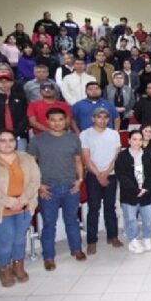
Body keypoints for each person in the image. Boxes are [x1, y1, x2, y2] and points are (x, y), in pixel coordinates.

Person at [0, 130, 40, 287]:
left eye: (11, 140)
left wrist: (23, 199)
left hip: (24, 206)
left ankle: (18, 265)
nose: (8, 144)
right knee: (5, 242)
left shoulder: (26, 158)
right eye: (3, 140)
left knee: (19, 240)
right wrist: (9, 201)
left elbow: (35, 181)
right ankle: (4, 269)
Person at [28, 108, 86, 270]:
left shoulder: (73, 139)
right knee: (49, 224)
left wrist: (80, 180)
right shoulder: (38, 140)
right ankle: (48, 257)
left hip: (70, 186)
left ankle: (76, 249)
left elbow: (78, 161)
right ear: (47, 121)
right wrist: (38, 185)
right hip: (48, 188)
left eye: (60, 119)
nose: (57, 123)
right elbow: (30, 165)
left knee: (72, 220)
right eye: (53, 120)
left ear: (65, 121)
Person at [81, 107, 122, 255]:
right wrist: (99, 175)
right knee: (93, 209)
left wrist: (106, 172)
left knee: (110, 207)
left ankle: (113, 236)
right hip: (93, 175)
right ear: (93, 118)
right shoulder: (85, 134)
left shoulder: (114, 134)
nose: (102, 120)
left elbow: (117, 156)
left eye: (105, 117)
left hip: (111, 174)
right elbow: (86, 158)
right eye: (99, 117)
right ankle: (91, 241)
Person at [0, 67, 29, 151]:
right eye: (1, 81)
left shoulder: (21, 98)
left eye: (7, 81)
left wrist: (17, 131)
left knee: (20, 157)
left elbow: (26, 116)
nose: (4, 84)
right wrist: (0, 131)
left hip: (19, 136)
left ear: (12, 82)